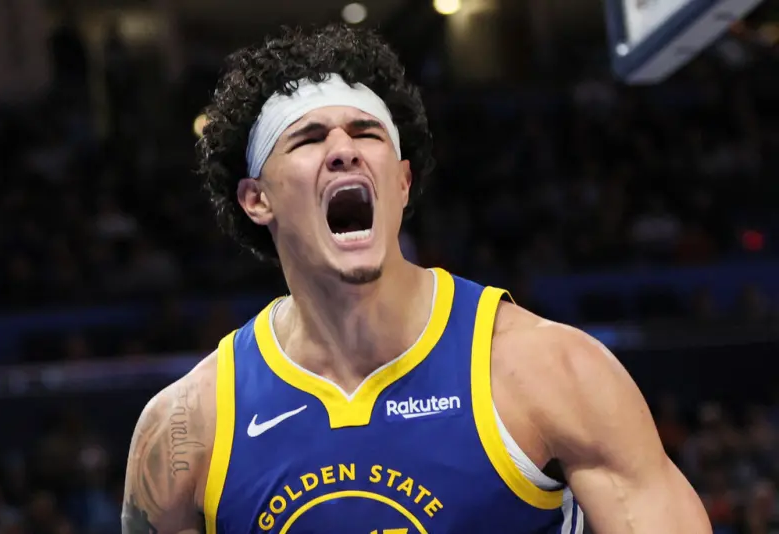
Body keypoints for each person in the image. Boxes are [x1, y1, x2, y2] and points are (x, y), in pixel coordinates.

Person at [121, 23, 711, 534]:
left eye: (366, 133)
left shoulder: (548, 369)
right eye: (308, 138)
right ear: (257, 199)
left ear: (401, 183)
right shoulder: (187, 429)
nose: (343, 150)